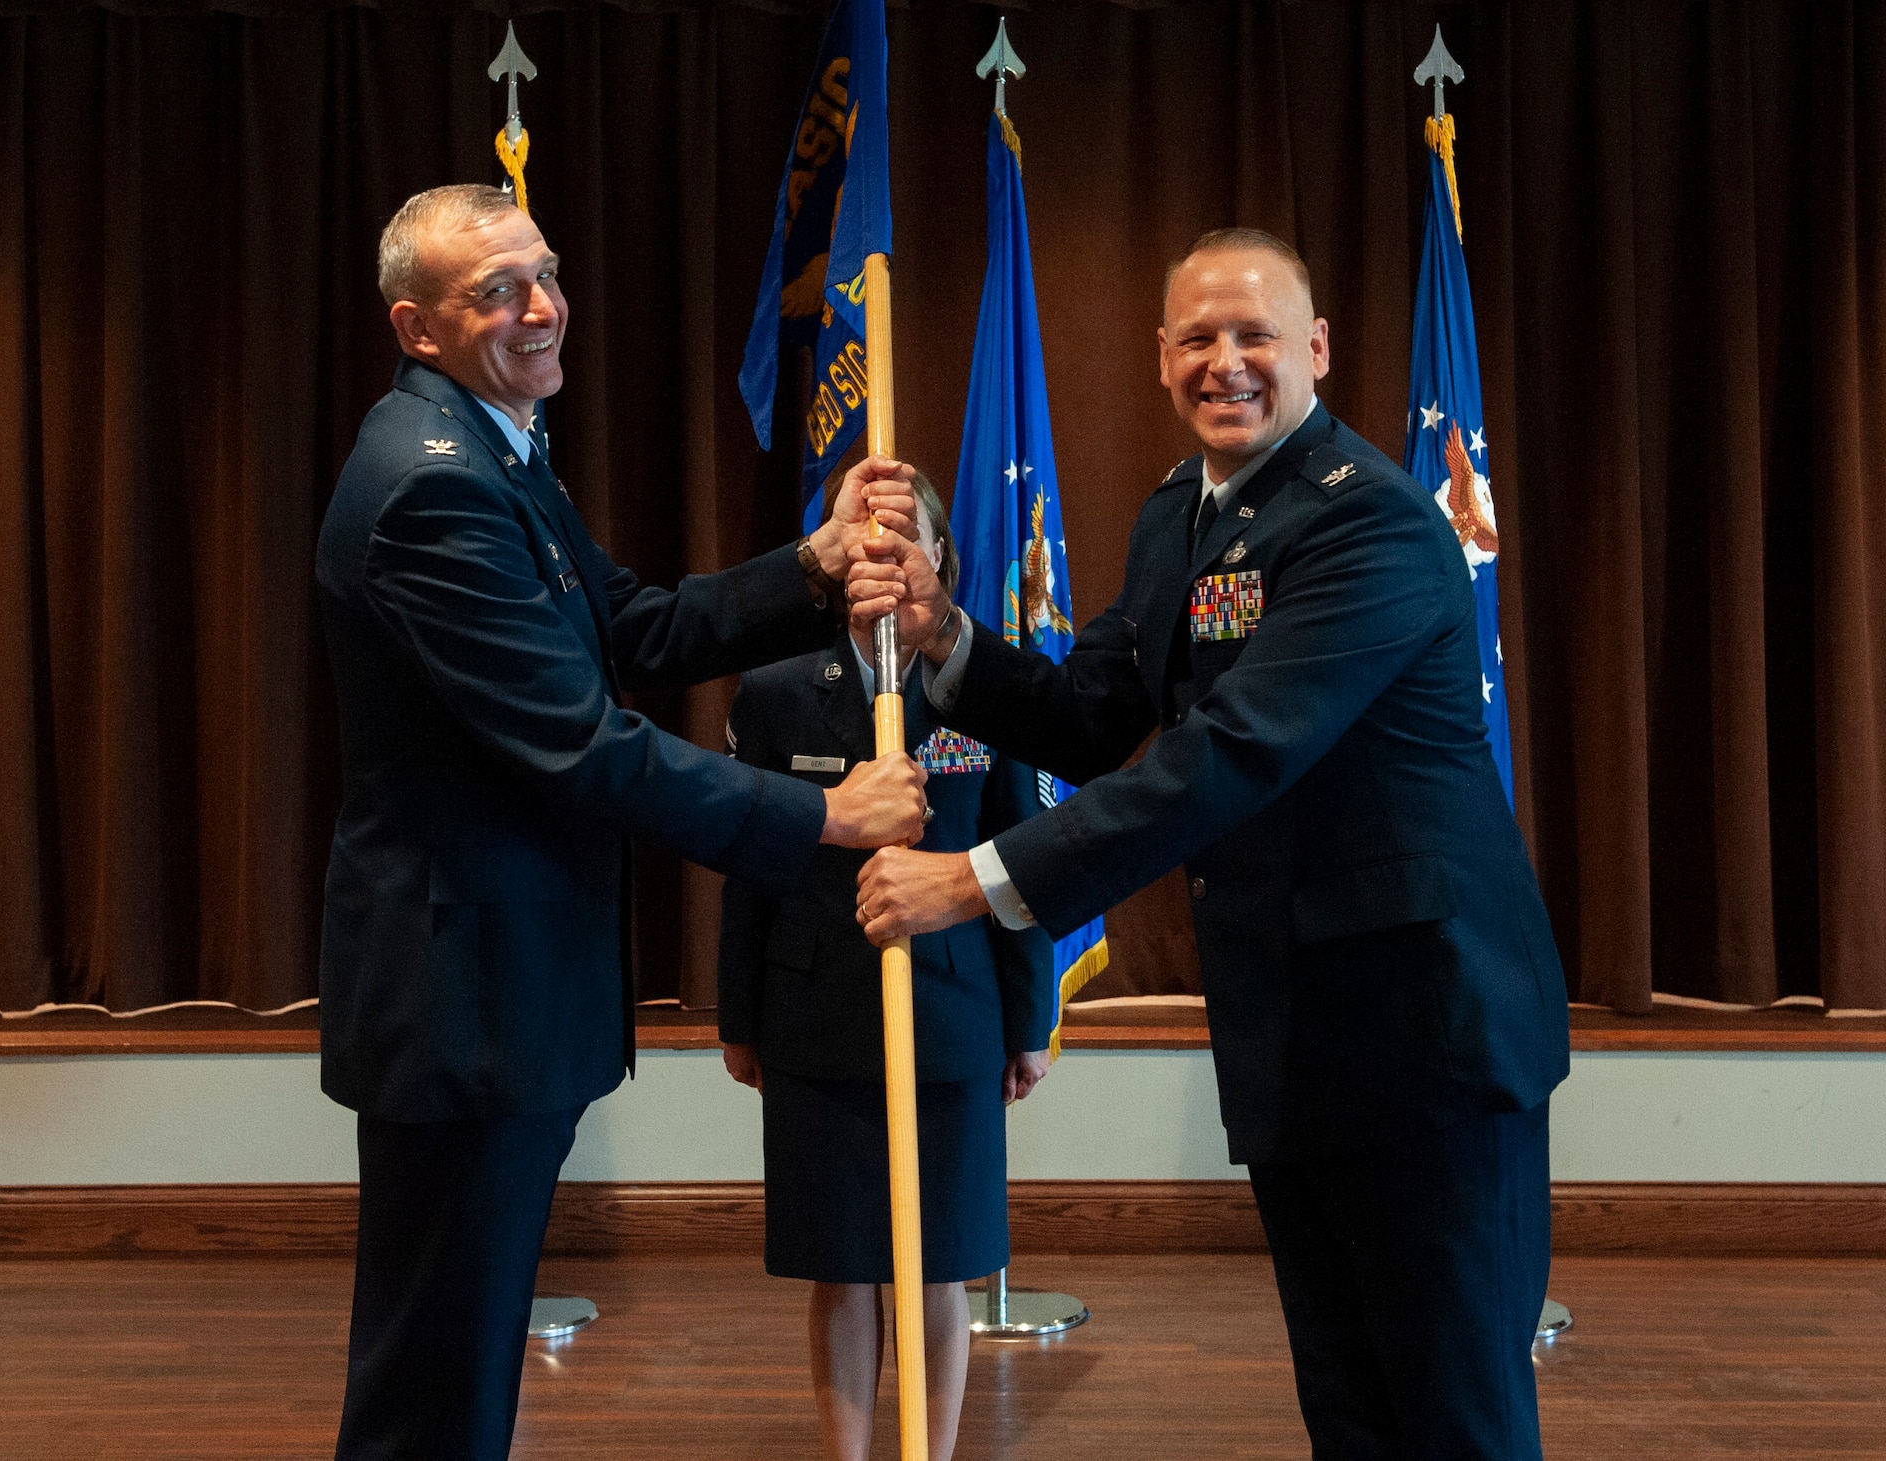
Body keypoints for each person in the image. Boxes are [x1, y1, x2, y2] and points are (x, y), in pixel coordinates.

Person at [847, 228, 1571, 1460]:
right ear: (1159, 356)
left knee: (1452, 1405)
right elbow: (1090, 715)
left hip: (1424, 1032)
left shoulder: (1370, 528)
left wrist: (973, 881)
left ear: (1317, 351)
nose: (1223, 363)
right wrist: (937, 635)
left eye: (1254, 335)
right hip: (1294, 1025)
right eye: (1196, 338)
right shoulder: (1178, 511)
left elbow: (1226, 756)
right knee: (1346, 1394)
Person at [314, 183, 929, 1460]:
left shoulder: (494, 446)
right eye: (496, 291)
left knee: (457, 1361)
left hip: (500, 986)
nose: (540, 308)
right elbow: (578, 747)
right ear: (415, 327)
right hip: (463, 995)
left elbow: (628, 631)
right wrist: (821, 818)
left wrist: (809, 566)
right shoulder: (431, 487)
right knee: (436, 1378)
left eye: (542, 274)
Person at [716, 475, 1055, 1461]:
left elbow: (1019, 861)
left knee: (936, 1266)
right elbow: (748, 865)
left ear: (940, 563)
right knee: (842, 1265)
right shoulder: (777, 694)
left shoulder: (988, 689)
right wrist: (739, 1019)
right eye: (859, 545)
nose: (883, 561)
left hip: (953, 1015)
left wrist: (1028, 1023)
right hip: (815, 1014)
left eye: (907, 544)